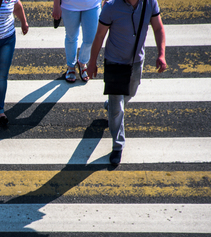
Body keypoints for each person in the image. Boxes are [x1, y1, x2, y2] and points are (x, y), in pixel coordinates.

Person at [87, 0, 166, 165]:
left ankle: (111, 106)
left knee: (129, 94)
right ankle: (118, 145)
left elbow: (158, 28)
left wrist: (161, 54)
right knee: (117, 108)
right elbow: (100, 35)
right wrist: (92, 62)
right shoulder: (111, 7)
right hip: (115, 62)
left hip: (136, 62)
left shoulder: (150, 3)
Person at [52, 0, 102, 83]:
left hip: (92, 4)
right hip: (69, 5)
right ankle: (71, 66)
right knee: (71, 37)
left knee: (90, 39)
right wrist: (56, 5)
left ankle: (82, 62)